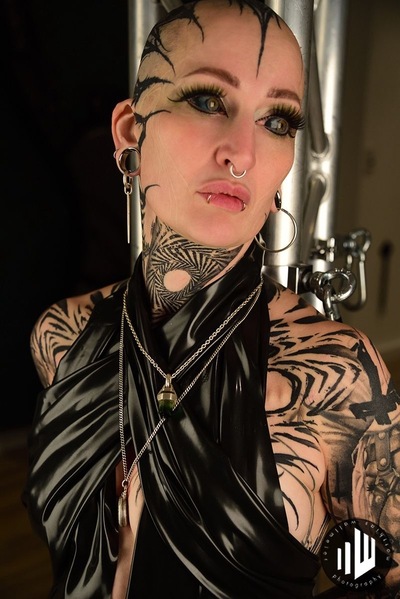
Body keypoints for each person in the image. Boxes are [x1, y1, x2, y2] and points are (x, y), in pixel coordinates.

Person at [23, 1, 400, 597]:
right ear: (130, 130)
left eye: (278, 120)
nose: (242, 154)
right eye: (206, 100)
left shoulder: (335, 374)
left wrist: (339, 550)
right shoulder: (61, 335)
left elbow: (385, 574)